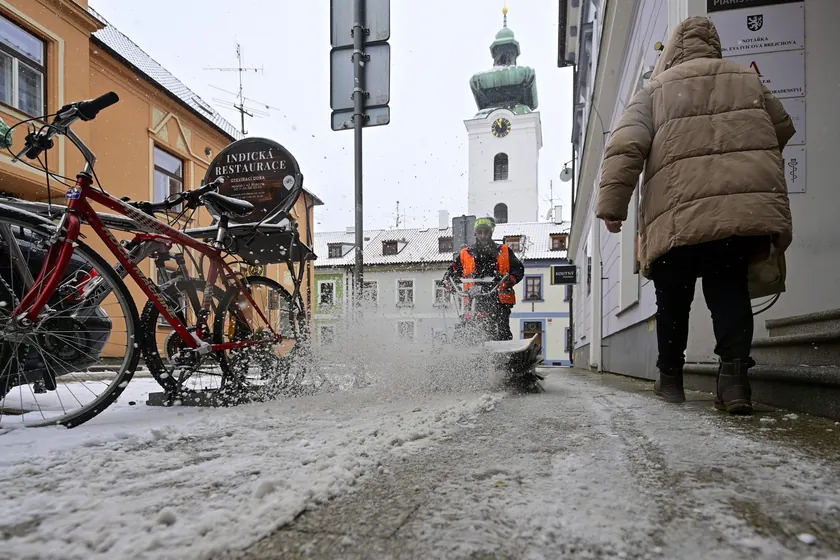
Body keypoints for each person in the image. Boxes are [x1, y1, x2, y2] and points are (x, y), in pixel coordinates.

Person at [595, 16, 795, 415]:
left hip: (677, 214)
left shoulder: (655, 90)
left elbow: (626, 146)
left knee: (673, 299)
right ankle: (735, 383)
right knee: (729, 292)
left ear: (672, 51)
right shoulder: (746, 79)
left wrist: (612, 208)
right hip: (733, 217)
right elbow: (782, 128)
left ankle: (670, 380)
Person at [443, 217, 524, 341]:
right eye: (480, 232)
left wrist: (512, 278)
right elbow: (454, 270)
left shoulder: (503, 250)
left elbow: (518, 268)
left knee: (501, 330)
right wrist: (448, 280)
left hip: (499, 298)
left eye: (486, 232)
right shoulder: (466, 253)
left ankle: (504, 348)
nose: (483, 235)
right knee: (470, 326)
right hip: (474, 297)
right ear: (475, 234)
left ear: (491, 233)